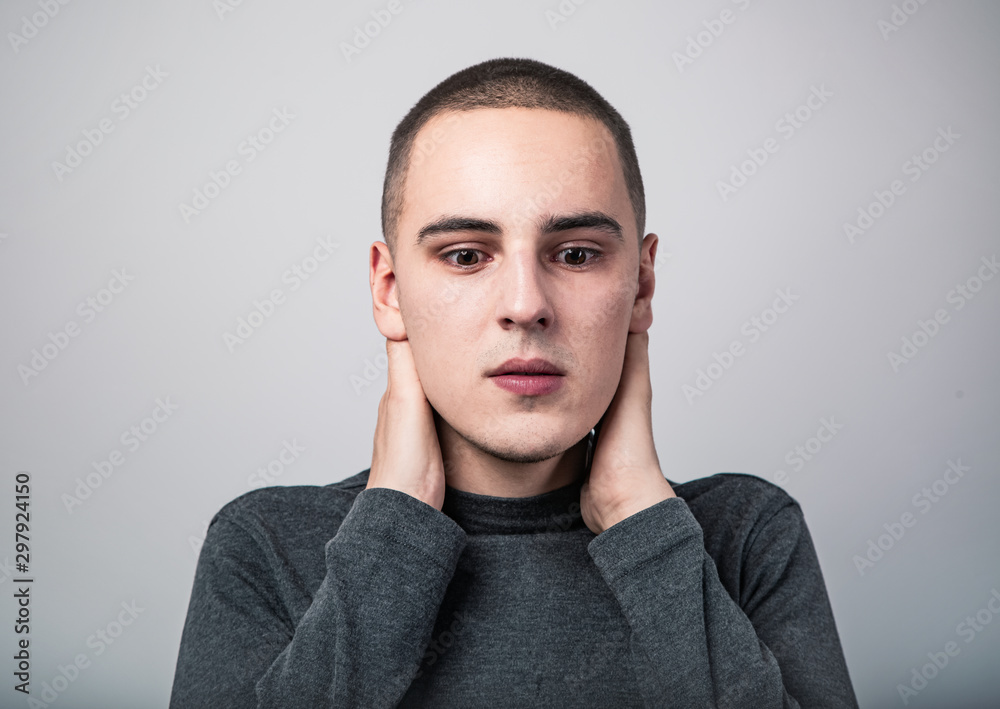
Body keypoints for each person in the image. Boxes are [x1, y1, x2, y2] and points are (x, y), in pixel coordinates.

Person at [169, 57, 859, 708]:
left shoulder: (745, 536)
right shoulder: (267, 544)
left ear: (641, 283)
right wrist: (395, 525)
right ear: (389, 288)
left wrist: (640, 519)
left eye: (578, 253)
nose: (526, 304)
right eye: (466, 254)